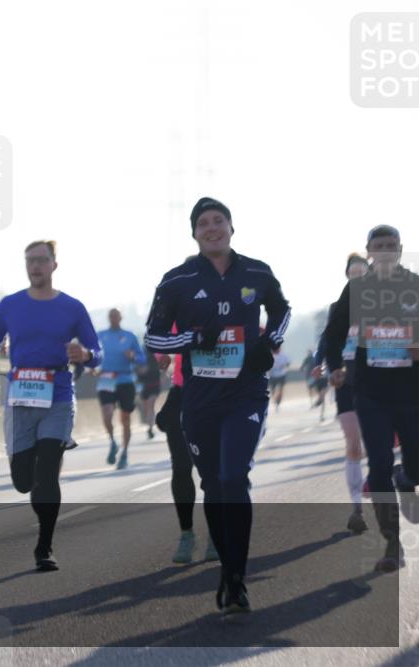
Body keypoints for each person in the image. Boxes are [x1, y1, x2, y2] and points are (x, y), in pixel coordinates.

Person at [145, 197, 291, 614]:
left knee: (234, 476)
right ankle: (228, 569)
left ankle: (236, 578)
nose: (212, 228)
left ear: (230, 227)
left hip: (246, 391)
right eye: (203, 223)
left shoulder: (257, 272)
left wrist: (269, 343)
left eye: (218, 221)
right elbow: (154, 337)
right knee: (212, 483)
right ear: (194, 233)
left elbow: (282, 310)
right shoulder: (177, 280)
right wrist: (193, 340)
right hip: (200, 396)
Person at [0, 240, 101, 572]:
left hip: (58, 396)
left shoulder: (72, 308)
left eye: (41, 260)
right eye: (30, 260)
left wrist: (86, 356)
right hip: (20, 398)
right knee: (22, 481)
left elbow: (96, 350)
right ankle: (10, 487)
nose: (35, 266)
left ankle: (44, 546)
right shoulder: (10, 305)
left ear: (54, 265)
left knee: (47, 474)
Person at [324, 226, 418, 572]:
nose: (385, 251)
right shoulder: (357, 289)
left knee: (414, 464)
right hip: (371, 392)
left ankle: (407, 477)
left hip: (411, 391)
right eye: (378, 246)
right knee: (377, 465)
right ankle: (393, 544)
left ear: (400, 249)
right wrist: (334, 366)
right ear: (369, 252)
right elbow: (333, 334)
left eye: (391, 245)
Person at [312, 253, 370, 533]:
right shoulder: (339, 306)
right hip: (346, 380)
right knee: (353, 442)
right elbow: (328, 338)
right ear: (347, 276)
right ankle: (357, 509)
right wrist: (321, 365)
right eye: (353, 272)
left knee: (381, 443)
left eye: (363, 272)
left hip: (378, 380)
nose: (357, 276)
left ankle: (381, 479)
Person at [152, 323, 218, 565]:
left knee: (214, 470)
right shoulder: (183, 299)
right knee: (181, 467)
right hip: (184, 391)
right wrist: (162, 356)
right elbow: (158, 335)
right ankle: (187, 534)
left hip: (220, 391)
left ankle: (216, 534)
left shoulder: (232, 293)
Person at [96, 308, 147, 469]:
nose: (113, 318)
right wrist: (91, 366)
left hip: (125, 379)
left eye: (116, 316)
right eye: (111, 316)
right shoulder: (100, 335)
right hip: (106, 379)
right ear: (108, 318)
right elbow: (93, 354)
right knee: (107, 414)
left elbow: (142, 358)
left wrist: (133, 357)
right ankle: (112, 442)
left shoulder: (130, 336)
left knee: (125, 418)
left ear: (121, 317)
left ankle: (124, 452)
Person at [137, 349, 163, 440]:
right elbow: (137, 369)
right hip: (145, 385)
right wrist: (141, 371)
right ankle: (150, 424)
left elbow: (164, 366)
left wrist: (162, 374)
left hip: (155, 385)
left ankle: (150, 429)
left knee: (150, 405)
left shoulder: (158, 353)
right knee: (146, 408)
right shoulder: (141, 353)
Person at [268, 345, 291, 411]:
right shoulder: (271, 355)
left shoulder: (284, 355)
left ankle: (278, 402)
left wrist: (283, 365)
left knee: (280, 390)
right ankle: (275, 401)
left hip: (281, 374)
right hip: (272, 375)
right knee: (273, 390)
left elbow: (288, 363)